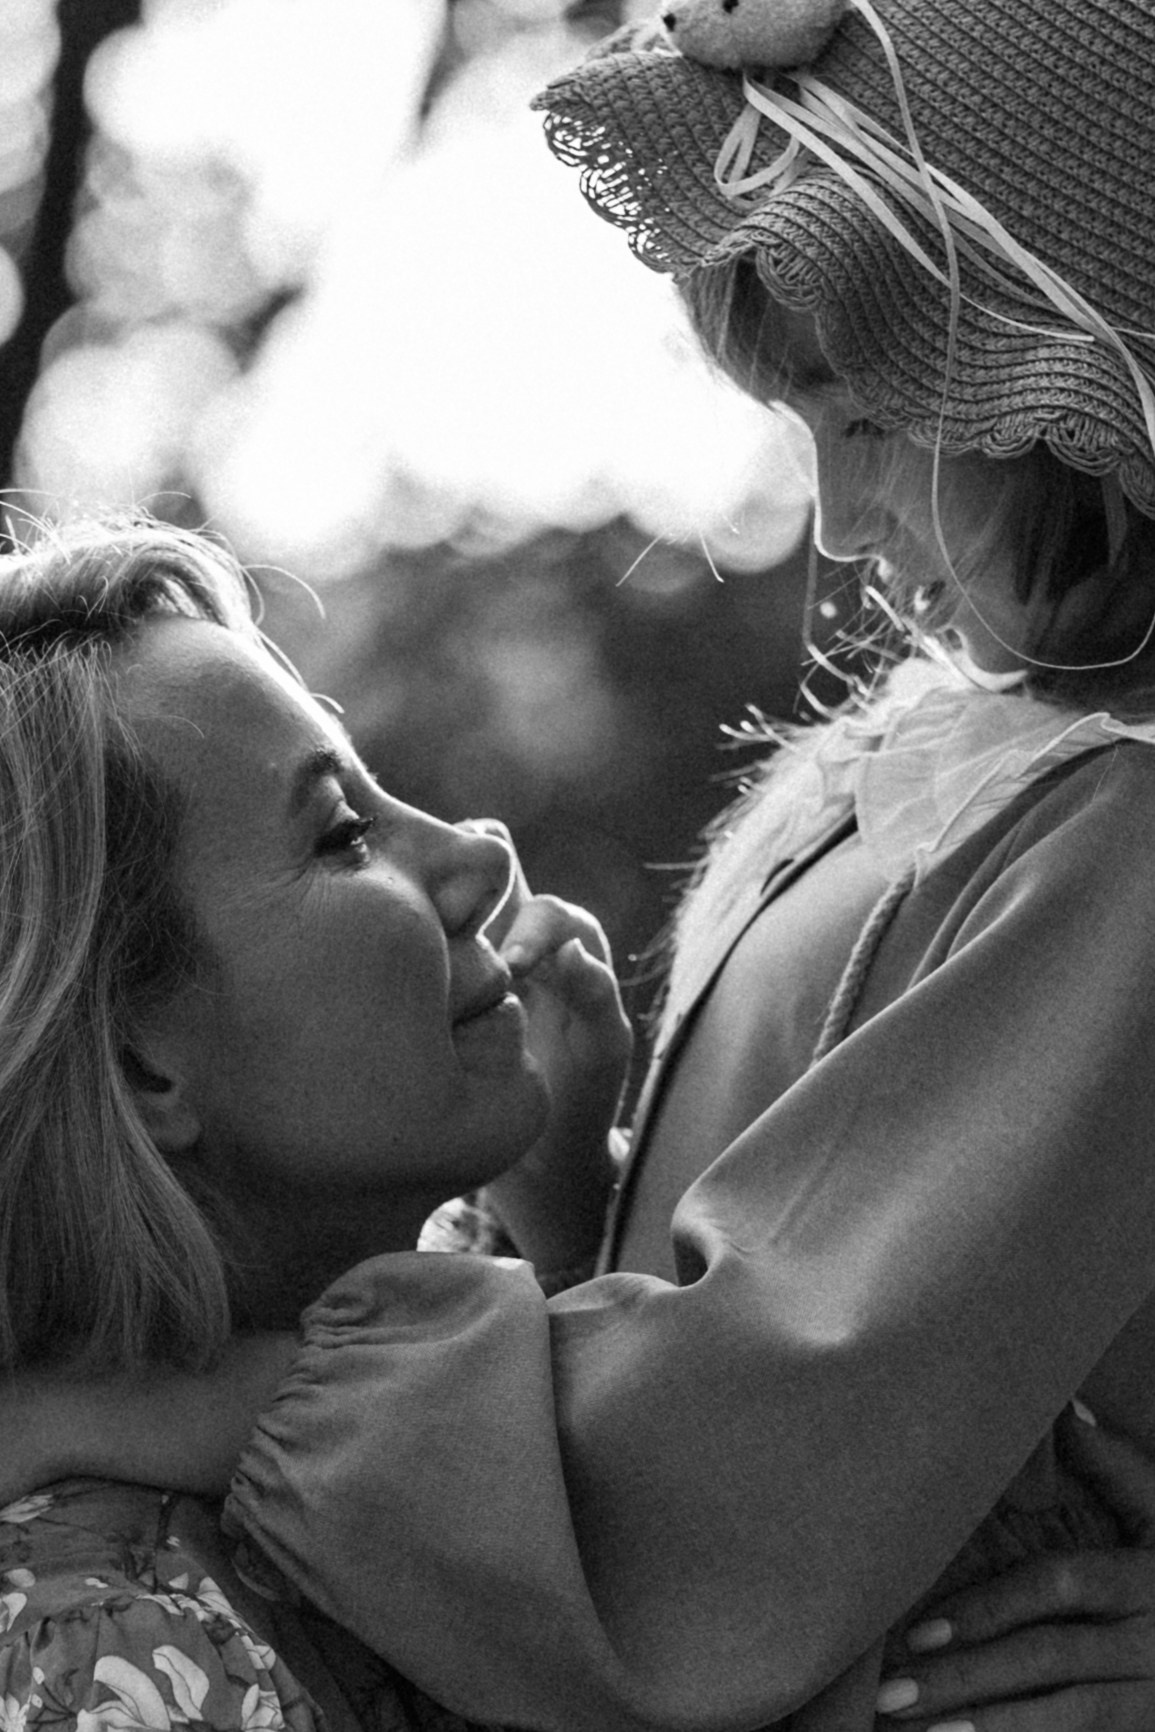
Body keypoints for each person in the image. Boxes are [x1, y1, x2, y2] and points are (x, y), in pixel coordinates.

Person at [10, 0, 1155, 1726]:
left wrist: (217, 1401)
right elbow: (767, 1315)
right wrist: (569, 1200)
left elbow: (714, 1478)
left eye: (862, 416)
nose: (838, 523)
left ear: (1048, 384)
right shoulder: (911, 776)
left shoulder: (1107, 834)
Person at [0, 512, 632, 1732]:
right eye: (343, 834)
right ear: (140, 1067)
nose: (476, 855)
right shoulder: (111, 1662)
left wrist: (572, 1229)